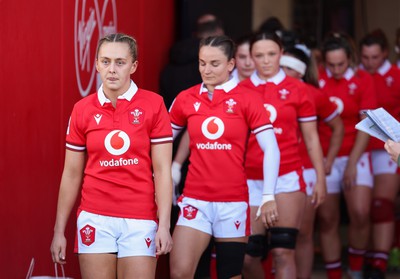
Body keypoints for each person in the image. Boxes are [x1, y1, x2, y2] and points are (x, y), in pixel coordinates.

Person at [50, 33, 173, 279]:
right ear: (96, 64)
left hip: (140, 217)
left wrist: (164, 225)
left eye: (120, 62)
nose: (112, 69)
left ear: (134, 66)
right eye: (105, 61)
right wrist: (59, 230)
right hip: (95, 217)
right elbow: (72, 173)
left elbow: (162, 171)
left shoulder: (154, 104)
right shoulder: (81, 109)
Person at [168, 35, 280, 279]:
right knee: (179, 272)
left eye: (214, 64)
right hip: (195, 201)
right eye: (201, 63)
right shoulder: (186, 98)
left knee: (230, 274)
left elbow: (271, 148)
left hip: (232, 202)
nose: (206, 70)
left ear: (231, 65)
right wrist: (163, 173)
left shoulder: (248, 99)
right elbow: (161, 140)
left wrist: (268, 195)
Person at [240, 32, 326, 279]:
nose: (265, 61)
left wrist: (320, 178)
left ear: (281, 55)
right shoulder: (240, 90)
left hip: (287, 178)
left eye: (271, 54)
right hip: (249, 180)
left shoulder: (299, 89)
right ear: (251, 58)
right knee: (248, 257)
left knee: (283, 253)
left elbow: (311, 138)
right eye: (259, 55)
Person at [280, 46, 344, 279]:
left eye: (289, 68)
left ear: (301, 72)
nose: (283, 72)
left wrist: (327, 162)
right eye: (281, 67)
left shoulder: (312, 93)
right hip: (269, 172)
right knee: (274, 238)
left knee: (302, 233)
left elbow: (337, 127)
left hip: (304, 170)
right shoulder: (264, 91)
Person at [318, 33, 377, 279]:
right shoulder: (318, 78)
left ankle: (355, 270)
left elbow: (367, 124)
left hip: (356, 152)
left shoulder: (363, 80)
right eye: (331, 65)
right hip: (324, 155)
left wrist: (352, 163)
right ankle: (334, 274)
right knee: (328, 218)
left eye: (341, 64)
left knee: (361, 212)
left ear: (350, 59)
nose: (336, 69)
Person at [360, 29, 400, 278]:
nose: (370, 62)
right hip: (363, 149)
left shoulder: (397, 75)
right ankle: (367, 254)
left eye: (375, 57)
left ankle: (380, 263)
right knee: (362, 209)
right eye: (365, 57)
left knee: (381, 205)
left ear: (385, 53)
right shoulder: (358, 76)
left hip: (391, 148)